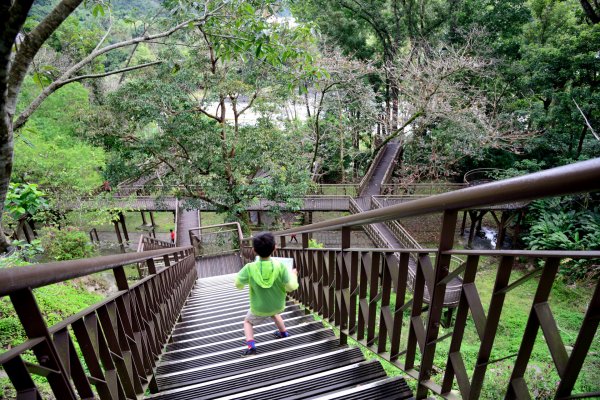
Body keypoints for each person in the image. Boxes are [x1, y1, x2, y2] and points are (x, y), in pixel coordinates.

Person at [235, 232, 298, 356]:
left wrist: (245, 283)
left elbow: (238, 283)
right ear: (275, 247)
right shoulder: (280, 267)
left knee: (247, 322)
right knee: (274, 313)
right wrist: (293, 275)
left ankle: (251, 346)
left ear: (254, 250)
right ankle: (284, 333)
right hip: (277, 305)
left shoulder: (249, 268)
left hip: (259, 308)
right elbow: (291, 287)